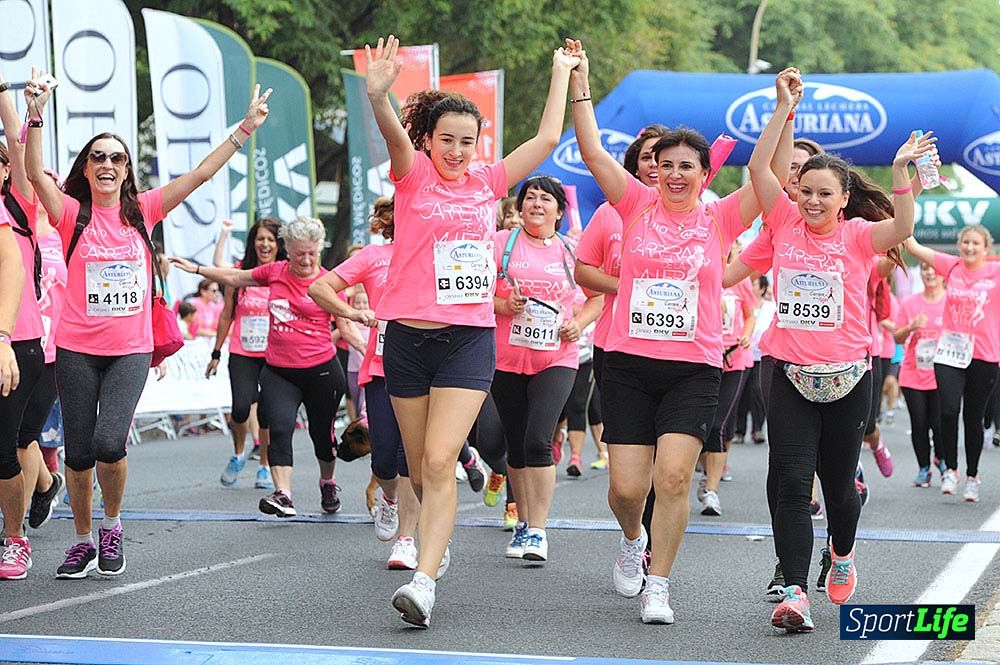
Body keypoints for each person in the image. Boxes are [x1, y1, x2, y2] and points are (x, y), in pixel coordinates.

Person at [570, 42, 788, 625]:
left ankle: (659, 584)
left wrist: (783, 112)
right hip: (627, 364)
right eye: (664, 164)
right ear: (654, 170)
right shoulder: (634, 204)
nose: (672, 174)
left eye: (685, 166)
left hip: (694, 367)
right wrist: (582, 82)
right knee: (626, 489)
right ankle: (631, 539)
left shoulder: (721, 218)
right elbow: (591, 151)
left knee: (673, 477)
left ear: (702, 173)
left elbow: (773, 175)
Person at [366, 34, 579, 627]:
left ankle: (424, 581)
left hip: (466, 338)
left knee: (438, 460)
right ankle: (438, 535)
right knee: (417, 465)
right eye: (448, 141)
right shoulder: (411, 178)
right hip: (406, 341)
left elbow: (546, 139)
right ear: (428, 141)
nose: (458, 152)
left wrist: (560, 70)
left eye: (468, 141)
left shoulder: (488, 183)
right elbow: (391, 131)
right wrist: (380, 96)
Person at [24, 70, 272, 578]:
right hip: (74, 348)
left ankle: (112, 526)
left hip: (130, 350)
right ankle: (83, 539)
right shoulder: (72, 213)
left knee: (110, 443)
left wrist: (244, 129)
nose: (109, 163)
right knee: (77, 452)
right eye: (99, 156)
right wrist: (34, 114)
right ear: (87, 169)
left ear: (128, 169)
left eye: (118, 157)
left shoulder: (145, 211)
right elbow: (32, 174)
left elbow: (201, 174)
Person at [725, 67, 934, 632]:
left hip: (848, 376)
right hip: (785, 369)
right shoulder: (782, 220)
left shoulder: (861, 237)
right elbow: (758, 167)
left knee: (840, 486)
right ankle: (795, 591)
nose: (813, 201)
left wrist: (898, 175)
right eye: (806, 191)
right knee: (791, 479)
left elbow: (903, 224)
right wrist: (782, 108)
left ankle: (842, 553)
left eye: (825, 194)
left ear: (844, 200)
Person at [173, 216, 353, 517]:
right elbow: (236, 277)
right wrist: (198, 269)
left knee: (322, 435)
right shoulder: (275, 272)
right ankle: (283, 493)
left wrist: (369, 348)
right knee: (279, 428)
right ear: (289, 250)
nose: (306, 260)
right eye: (299, 254)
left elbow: (346, 328)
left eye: (312, 253)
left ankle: (327, 481)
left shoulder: (328, 282)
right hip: (280, 371)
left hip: (321, 370)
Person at [492, 176, 602, 563]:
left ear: (559, 209)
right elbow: (477, 293)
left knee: (539, 438)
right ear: (520, 208)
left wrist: (580, 323)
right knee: (517, 443)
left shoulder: (572, 251)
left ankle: (538, 529)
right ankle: (522, 522)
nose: (536, 204)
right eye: (529, 198)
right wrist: (503, 306)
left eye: (545, 199)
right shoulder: (500, 245)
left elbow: (597, 296)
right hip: (506, 358)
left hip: (557, 357)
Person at [904, 226, 1000, 502]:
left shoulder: (995, 271)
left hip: (984, 355)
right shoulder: (952, 266)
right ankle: (951, 470)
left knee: (973, 418)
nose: (970, 247)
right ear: (959, 245)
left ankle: (972, 476)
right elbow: (912, 246)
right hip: (949, 354)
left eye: (976, 243)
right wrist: (903, 203)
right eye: (965, 242)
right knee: (947, 410)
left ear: (986, 248)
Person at [208, 217, 284, 490]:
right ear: (253, 242)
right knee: (240, 408)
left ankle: (264, 466)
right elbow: (227, 314)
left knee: (266, 412)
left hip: (275, 354)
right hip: (242, 352)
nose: (265, 244)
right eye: (260, 239)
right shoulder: (240, 272)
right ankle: (239, 453)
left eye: (271, 240)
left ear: (279, 245)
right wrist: (216, 352)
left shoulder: (283, 272)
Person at [893, 262, 946, 486]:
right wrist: (911, 327)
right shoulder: (910, 303)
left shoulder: (952, 302)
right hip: (914, 374)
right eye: (925, 268)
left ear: (943, 274)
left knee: (941, 423)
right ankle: (924, 467)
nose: (930, 272)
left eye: (934, 268)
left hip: (944, 374)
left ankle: (943, 459)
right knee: (919, 423)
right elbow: (897, 337)